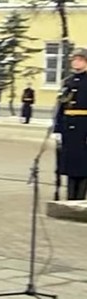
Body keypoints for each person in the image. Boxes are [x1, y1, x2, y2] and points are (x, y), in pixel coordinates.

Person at [54, 47, 87, 201]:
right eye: (74, 59)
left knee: (83, 165)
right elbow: (61, 106)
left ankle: (80, 198)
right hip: (69, 128)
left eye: (80, 59)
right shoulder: (68, 81)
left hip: (84, 128)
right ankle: (70, 197)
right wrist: (58, 129)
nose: (76, 62)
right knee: (70, 164)